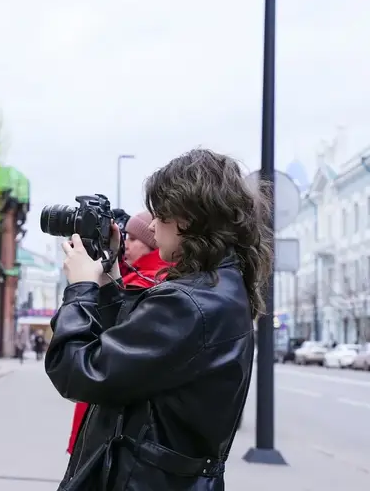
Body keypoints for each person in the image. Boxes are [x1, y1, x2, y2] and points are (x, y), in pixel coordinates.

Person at [46, 149, 273, 490]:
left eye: (161, 214)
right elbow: (130, 356)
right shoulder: (218, 290)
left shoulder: (190, 303)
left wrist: (80, 288)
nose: (152, 225)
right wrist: (108, 278)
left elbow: (80, 373)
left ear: (189, 218)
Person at [65, 211, 171, 455]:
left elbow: (79, 367)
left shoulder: (148, 286)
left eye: (133, 239)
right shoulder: (143, 279)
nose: (126, 245)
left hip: (113, 427)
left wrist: (80, 289)